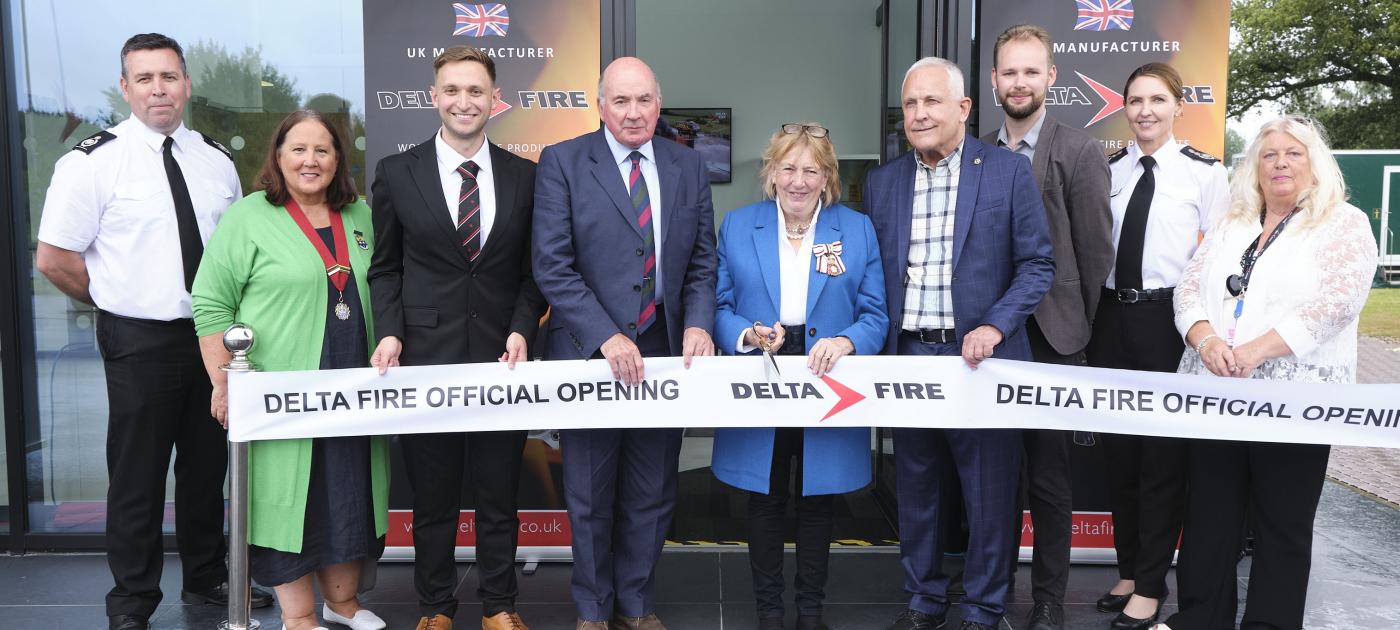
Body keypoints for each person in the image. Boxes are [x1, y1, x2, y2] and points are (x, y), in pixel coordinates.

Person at [33, 32, 272, 630]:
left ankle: (207, 576)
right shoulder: (92, 161)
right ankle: (133, 600)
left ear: (186, 83)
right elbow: (54, 257)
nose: (158, 89)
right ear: (125, 87)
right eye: (144, 78)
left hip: (213, 337)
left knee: (207, 464)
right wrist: (116, 302)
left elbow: (237, 251)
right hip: (139, 337)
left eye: (168, 76)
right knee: (139, 473)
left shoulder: (215, 159)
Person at [1153, 116, 1376, 630]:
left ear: (1315, 165)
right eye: (1269, 154)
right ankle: (1200, 619)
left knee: (1283, 523)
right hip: (1215, 394)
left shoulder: (1344, 223)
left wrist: (1254, 352)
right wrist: (1206, 340)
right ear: (1254, 167)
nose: (1280, 163)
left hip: (1293, 403)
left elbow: (1337, 303)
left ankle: (1271, 624)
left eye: (1294, 153)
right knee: (1209, 520)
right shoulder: (1233, 223)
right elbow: (1188, 290)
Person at [865, 57, 1055, 630]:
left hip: (983, 362)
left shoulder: (1006, 172)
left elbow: (1037, 263)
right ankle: (924, 599)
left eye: (932, 102)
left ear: (964, 109)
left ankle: (982, 606)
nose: (919, 114)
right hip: (910, 356)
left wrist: (995, 326)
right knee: (916, 485)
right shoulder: (882, 181)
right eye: (912, 105)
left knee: (989, 490)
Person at [532, 56, 718, 630]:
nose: (633, 113)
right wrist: (606, 335)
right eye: (621, 101)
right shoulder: (563, 162)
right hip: (591, 352)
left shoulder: (687, 166)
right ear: (600, 104)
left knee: (653, 488)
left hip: (664, 346)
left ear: (658, 105)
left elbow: (703, 261)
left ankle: (637, 605)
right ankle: (592, 609)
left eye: (644, 101)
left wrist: (699, 322)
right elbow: (552, 265)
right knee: (588, 493)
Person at [367, 45, 546, 630]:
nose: (464, 101)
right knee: (434, 500)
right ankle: (436, 609)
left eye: (476, 91)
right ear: (434, 96)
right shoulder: (398, 173)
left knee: (499, 497)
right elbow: (385, 268)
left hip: (503, 361)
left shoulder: (526, 176)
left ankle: (499, 606)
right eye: (452, 89)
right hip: (425, 362)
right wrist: (390, 333)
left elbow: (532, 273)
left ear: (495, 101)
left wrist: (522, 328)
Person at [192, 110, 390, 630]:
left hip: (354, 386)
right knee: (288, 498)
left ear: (338, 160)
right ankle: (299, 615)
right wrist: (222, 380)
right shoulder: (250, 216)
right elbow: (211, 304)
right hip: (280, 390)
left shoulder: (361, 215)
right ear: (277, 157)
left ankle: (343, 605)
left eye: (322, 150)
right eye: (297, 149)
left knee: (348, 488)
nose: (310, 160)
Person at [710, 122, 889, 630]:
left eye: (811, 170)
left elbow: (876, 314)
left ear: (828, 177)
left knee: (818, 499)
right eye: (788, 168)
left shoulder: (855, 229)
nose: (798, 180)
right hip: (763, 370)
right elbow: (719, 306)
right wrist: (746, 334)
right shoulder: (740, 225)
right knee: (764, 499)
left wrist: (847, 340)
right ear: (770, 172)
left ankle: (811, 611)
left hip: (826, 372)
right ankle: (769, 611)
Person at [1086, 62, 1229, 630]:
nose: (1145, 110)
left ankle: (1151, 585)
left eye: (1157, 100)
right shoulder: (1109, 169)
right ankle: (1128, 570)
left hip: (1168, 319)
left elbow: (1219, 258)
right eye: (1136, 100)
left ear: (1177, 107)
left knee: (1161, 458)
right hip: (1110, 319)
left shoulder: (1204, 173)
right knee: (1119, 454)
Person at [982, 24, 1114, 630]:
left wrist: (1078, 333)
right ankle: (992, 595)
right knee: (996, 477)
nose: (1019, 82)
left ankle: (1050, 601)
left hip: (1055, 338)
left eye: (1031, 71)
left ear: (1051, 79)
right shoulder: (978, 152)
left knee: (1052, 481)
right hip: (990, 339)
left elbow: (1095, 254)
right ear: (993, 81)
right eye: (1010, 72)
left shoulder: (1081, 151)